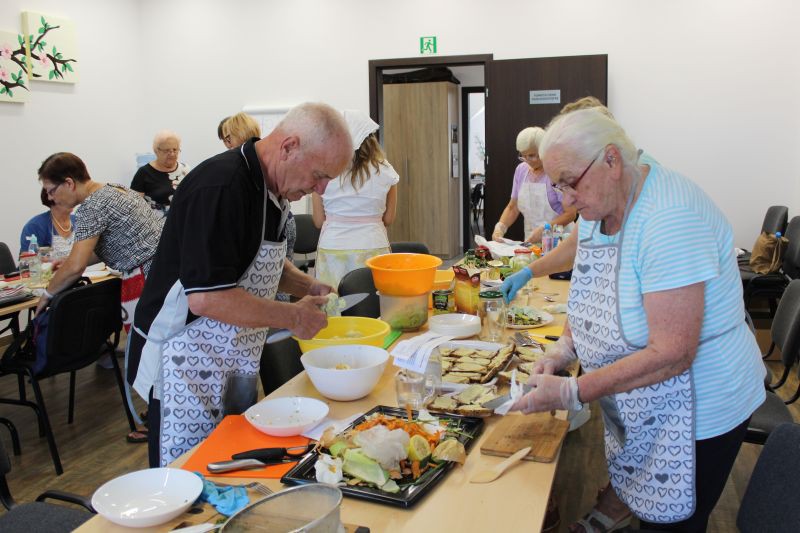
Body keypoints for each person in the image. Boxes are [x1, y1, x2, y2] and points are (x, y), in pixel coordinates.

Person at [503, 109, 765, 532]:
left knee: (675, 523)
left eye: (571, 182)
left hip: (699, 407)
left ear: (611, 159)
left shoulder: (668, 217)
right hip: (646, 399)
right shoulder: (600, 203)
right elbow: (589, 288)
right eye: (558, 185)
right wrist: (564, 348)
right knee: (647, 511)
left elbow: (673, 353)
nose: (565, 200)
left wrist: (573, 390)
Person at [128, 102, 353, 467]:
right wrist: (293, 318)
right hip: (184, 360)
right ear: (288, 147)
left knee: (230, 462)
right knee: (188, 473)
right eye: (319, 175)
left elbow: (256, 263)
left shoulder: (274, 188)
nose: (322, 190)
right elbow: (207, 297)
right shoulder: (222, 186)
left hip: (233, 355)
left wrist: (307, 287)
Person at [311, 109, 398, 289]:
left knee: (334, 306)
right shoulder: (386, 171)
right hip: (373, 244)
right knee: (374, 305)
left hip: (333, 247)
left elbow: (319, 221)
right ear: (370, 138)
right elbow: (388, 219)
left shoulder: (323, 171)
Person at [219, 111, 298, 302]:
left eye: (227, 139)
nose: (226, 144)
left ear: (231, 138)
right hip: (286, 222)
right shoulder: (265, 160)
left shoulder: (235, 170)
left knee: (268, 281)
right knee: (278, 279)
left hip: (273, 228)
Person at [492, 127, 576, 244]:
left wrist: (545, 230)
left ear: (544, 150)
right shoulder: (521, 170)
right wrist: (501, 227)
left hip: (560, 240)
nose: (527, 160)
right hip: (531, 240)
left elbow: (570, 214)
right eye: (523, 156)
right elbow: (513, 207)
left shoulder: (557, 172)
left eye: (532, 155)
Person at [130, 130, 191, 210]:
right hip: (154, 221)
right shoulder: (143, 173)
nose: (172, 154)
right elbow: (134, 206)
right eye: (167, 150)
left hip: (181, 221)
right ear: (156, 151)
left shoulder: (185, 170)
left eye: (175, 150)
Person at [19, 188, 76, 259]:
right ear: (50, 198)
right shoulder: (35, 225)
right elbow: (27, 259)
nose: (72, 201)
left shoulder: (79, 221)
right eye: (66, 197)